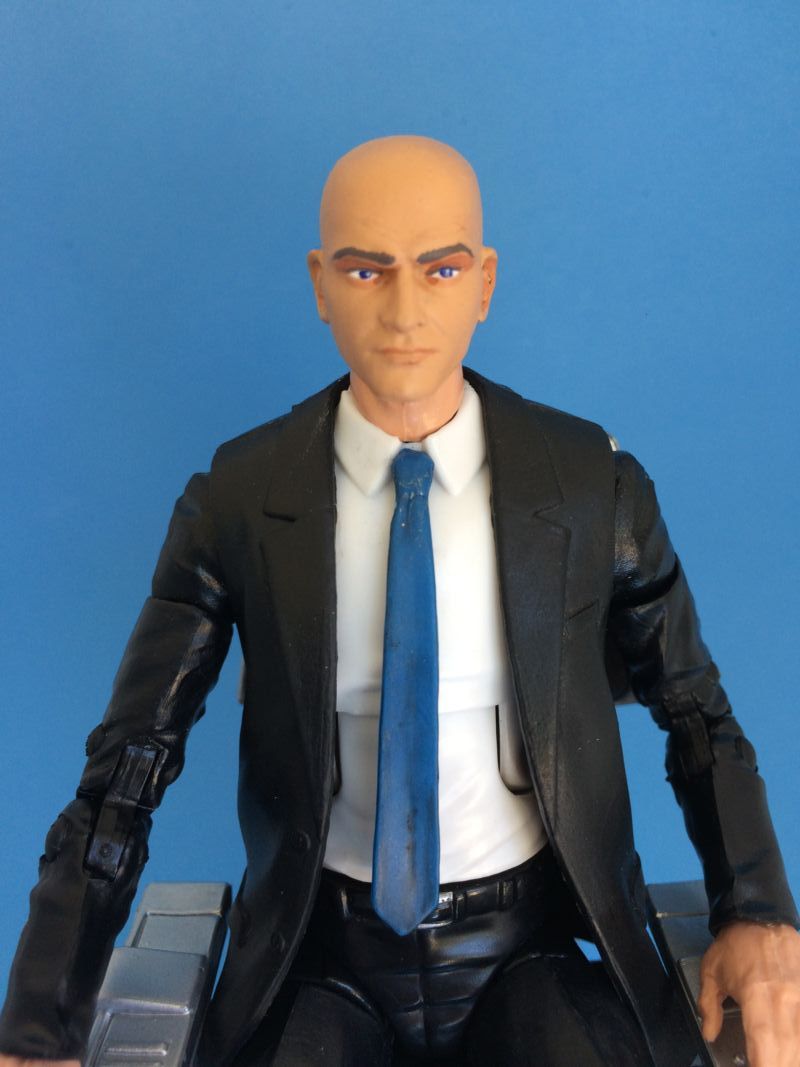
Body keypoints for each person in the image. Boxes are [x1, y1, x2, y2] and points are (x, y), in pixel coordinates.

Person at [1, 135, 799, 1067]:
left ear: (484, 282)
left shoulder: (590, 486)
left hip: (527, 946)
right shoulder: (241, 499)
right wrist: (40, 1020)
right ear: (321, 284)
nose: (406, 309)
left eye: (441, 268)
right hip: (321, 953)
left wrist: (756, 906)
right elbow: (132, 759)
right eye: (366, 270)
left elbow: (695, 711)